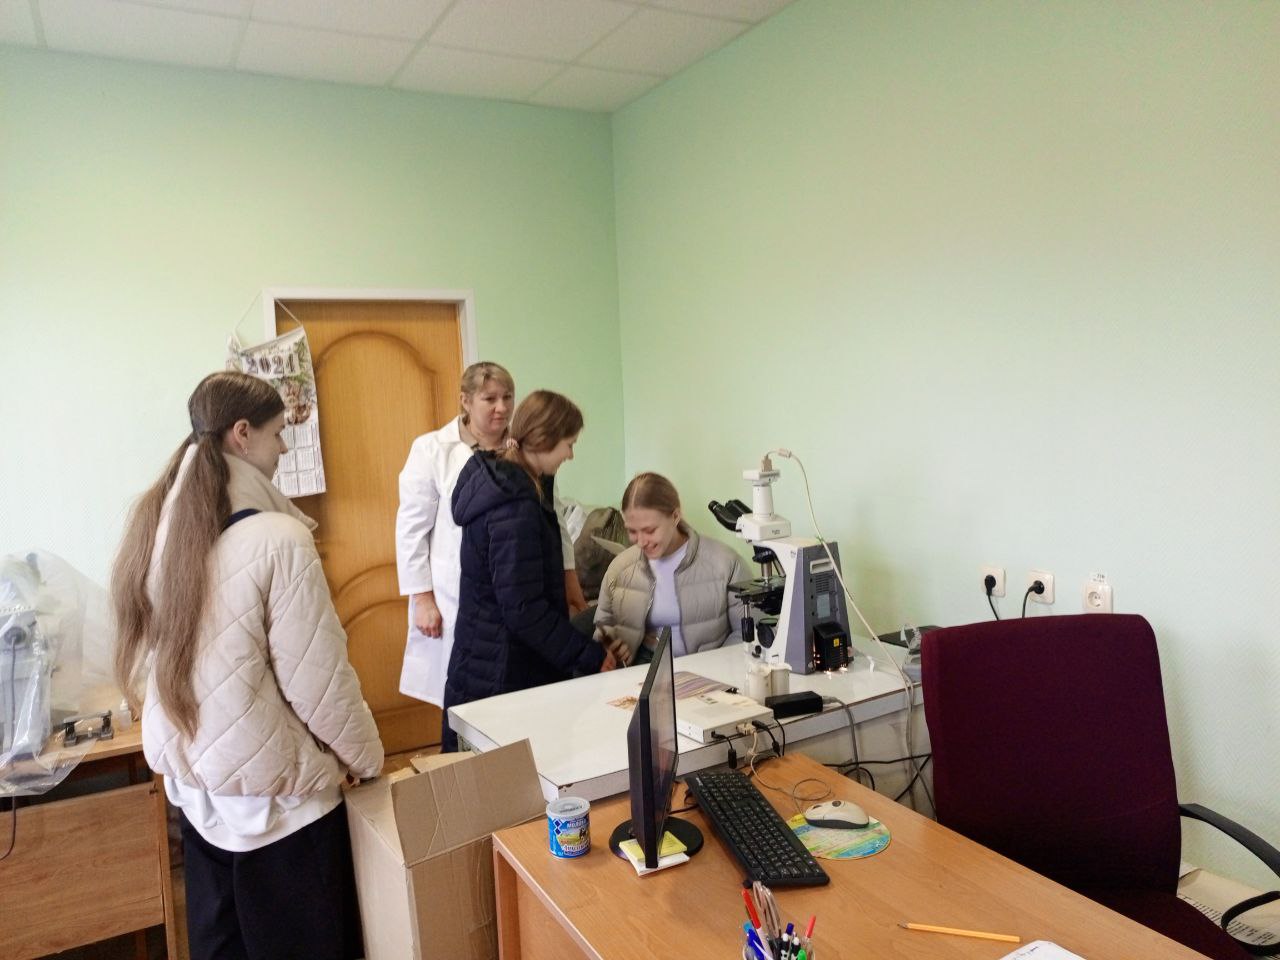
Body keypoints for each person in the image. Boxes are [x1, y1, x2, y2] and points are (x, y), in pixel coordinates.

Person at [111, 371, 383, 960]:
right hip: (281, 810)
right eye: (278, 432)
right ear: (242, 433)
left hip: (199, 798)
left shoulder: (160, 526)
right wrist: (367, 759)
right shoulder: (279, 539)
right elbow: (319, 683)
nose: (283, 448)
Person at [395, 362, 587, 712]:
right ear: (466, 401)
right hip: (455, 592)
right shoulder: (432, 450)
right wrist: (422, 599)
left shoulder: (527, 449)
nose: (501, 407)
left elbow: (554, 520)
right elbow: (411, 529)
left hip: (513, 593)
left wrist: (570, 582)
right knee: (468, 693)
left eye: (508, 397)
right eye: (490, 398)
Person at [441, 390, 619, 751]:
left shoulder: (513, 484)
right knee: (504, 776)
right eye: (569, 444)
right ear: (544, 440)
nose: (570, 454)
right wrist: (589, 655)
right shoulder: (514, 506)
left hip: (489, 656)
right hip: (501, 669)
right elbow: (524, 610)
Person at [595, 472, 749, 665]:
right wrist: (609, 646)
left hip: (710, 670)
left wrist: (713, 668)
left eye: (650, 530)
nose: (641, 542)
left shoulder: (726, 563)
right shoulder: (621, 567)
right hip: (642, 670)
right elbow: (603, 624)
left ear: (675, 516)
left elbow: (747, 633)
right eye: (632, 531)